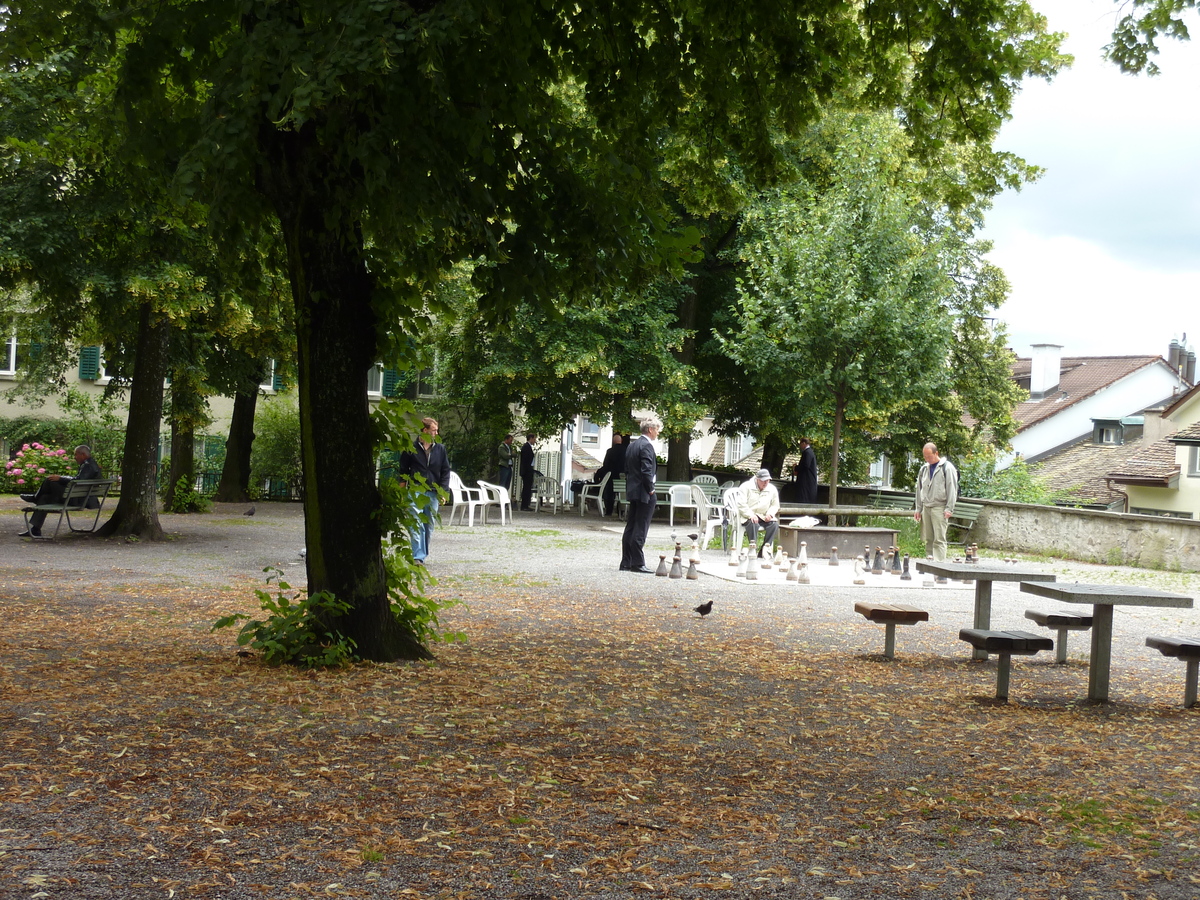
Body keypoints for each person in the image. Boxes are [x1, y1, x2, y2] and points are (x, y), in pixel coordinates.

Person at [396, 418, 451, 566]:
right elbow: (403, 471)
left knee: (429, 525)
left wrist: (443, 492)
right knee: (416, 523)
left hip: (433, 492)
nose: (436, 433)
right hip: (415, 491)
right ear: (424, 430)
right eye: (434, 430)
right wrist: (402, 493)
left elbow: (445, 471)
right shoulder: (411, 448)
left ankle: (422, 555)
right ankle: (417, 556)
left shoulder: (440, 449)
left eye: (436, 430)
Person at [19, 444, 103, 537]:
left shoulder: (88, 465)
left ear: (83, 454)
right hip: (80, 497)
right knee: (44, 498)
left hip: (76, 499)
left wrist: (60, 479)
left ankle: (35, 498)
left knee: (50, 480)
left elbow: (78, 481)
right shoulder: (91, 464)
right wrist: (61, 478)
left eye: (76, 455)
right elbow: (79, 480)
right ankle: (35, 530)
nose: (75, 457)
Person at [620, 416, 661, 572]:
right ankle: (637, 562)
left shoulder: (632, 445)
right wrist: (650, 489)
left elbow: (628, 469)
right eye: (656, 429)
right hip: (645, 491)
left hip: (633, 489)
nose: (657, 433)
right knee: (641, 526)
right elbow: (646, 471)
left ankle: (626, 561)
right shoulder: (646, 446)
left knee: (630, 525)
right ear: (650, 429)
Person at [914, 442, 959, 562]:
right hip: (926, 507)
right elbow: (919, 489)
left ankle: (939, 564)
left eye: (929, 456)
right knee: (928, 538)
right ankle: (929, 563)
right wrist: (918, 509)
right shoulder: (924, 469)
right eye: (925, 457)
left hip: (940, 507)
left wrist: (949, 508)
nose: (927, 459)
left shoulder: (947, 468)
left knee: (939, 539)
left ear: (936, 453)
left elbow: (952, 489)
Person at [737, 468, 781, 558]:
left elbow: (775, 505)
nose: (765, 483)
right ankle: (753, 548)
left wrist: (770, 514)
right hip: (748, 515)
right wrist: (750, 515)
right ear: (757, 479)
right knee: (754, 523)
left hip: (763, 515)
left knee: (774, 525)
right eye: (763, 481)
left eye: (767, 480)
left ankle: (765, 549)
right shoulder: (745, 487)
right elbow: (741, 504)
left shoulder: (772, 489)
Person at [595, 433, 625, 517]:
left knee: (610, 494)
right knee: (622, 494)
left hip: (612, 475)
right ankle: (621, 511)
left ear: (613, 441)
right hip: (623, 476)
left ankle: (609, 511)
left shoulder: (610, 451)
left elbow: (606, 464)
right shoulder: (627, 450)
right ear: (621, 441)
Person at [795, 437, 818, 504]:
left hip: (806, 481)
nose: (800, 446)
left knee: (804, 499)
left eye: (800, 444)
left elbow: (805, 465)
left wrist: (796, 468)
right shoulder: (809, 452)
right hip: (807, 481)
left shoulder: (807, 453)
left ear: (804, 443)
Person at [519, 433, 537, 511]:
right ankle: (524, 505)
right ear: (531, 438)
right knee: (526, 488)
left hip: (528, 470)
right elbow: (526, 460)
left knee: (528, 488)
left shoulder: (528, 447)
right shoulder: (526, 447)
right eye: (534, 439)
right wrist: (528, 470)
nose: (535, 440)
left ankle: (526, 504)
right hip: (527, 471)